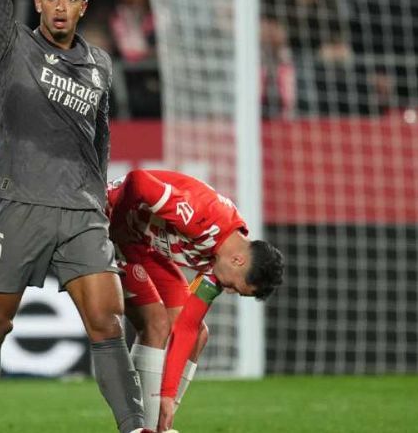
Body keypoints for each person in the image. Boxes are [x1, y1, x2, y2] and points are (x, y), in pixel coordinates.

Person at [0, 0, 149, 433]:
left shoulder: (100, 65)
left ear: (83, 6)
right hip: (19, 205)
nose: (62, 6)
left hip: (79, 212)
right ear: (40, 3)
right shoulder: (12, 46)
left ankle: (134, 427)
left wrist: (101, 201)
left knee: (107, 322)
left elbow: (100, 141)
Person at [107, 169, 285, 431]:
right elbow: (138, 180)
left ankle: (160, 424)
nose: (230, 291)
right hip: (107, 219)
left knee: (198, 334)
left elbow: (187, 326)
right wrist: (118, 227)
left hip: (140, 243)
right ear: (239, 261)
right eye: (236, 286)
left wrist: (168, 395)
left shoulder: (221, 261)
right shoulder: (201, 217)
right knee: (156, 323)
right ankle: (138, 426)